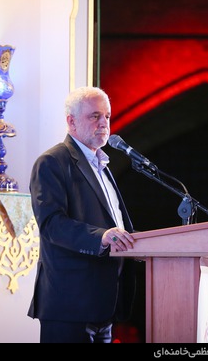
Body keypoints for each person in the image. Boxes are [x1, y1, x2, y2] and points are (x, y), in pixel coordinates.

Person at [27, 86, 137, 343]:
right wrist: (101, 237)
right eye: (94, 116)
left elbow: (115, 221)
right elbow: (51, 224)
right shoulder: (52, 162)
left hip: (105, 304)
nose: (104, 123)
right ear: (71, 121)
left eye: (107, 116)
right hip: (70, 304)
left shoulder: (103, 166)